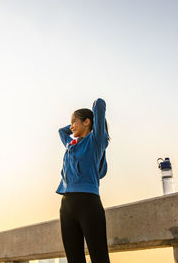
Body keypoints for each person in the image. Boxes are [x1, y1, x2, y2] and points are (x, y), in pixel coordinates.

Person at [56, 98, 111, 263]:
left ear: (87, 122)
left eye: (74, 121)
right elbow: (61, 131)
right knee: (74, 259)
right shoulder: (71, 144)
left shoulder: (95, 141)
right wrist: (73, 126)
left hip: (88, 203)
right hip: (67, 205)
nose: (71, 125)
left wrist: (93, 121)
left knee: (99, 257)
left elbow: (99, 104)